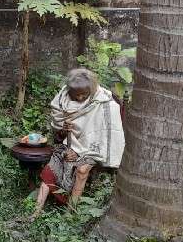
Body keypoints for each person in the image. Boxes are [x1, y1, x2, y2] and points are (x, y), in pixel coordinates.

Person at [30, 68, 125, 219]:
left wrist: (80, 152)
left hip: (92, 148)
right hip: (69, 143)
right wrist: (63, 129)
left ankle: (70, 213)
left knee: (82, 171)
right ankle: (35, 211)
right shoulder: (62, 100)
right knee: (51, 168)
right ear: (69, 92)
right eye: (76, 95)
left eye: (84, 95)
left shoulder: (105, 103)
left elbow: (104, 136)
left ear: (91, 90)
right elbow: (58, 133)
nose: (80, 98)